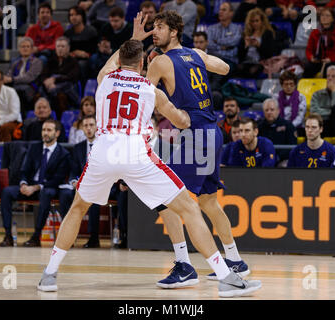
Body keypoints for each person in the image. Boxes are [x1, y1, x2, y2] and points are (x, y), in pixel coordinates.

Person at [37, 18, 261, 298]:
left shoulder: (103, 79)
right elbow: (181, 121)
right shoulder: (150, 89)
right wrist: (189, 112)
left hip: (104, 151)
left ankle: (49, 274)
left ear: (121, 60)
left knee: (78, 208)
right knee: (193, 208)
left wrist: (132, 39)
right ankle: (225, 273)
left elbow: (114, 61)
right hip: (150, 149)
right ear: (143, 63)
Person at [145, 10, 252, 288]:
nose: (154, 32)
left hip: (195, 136)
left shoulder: (160, 61)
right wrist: (200, 63)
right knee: (207, 201)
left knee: (164, 195)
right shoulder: (196, 54)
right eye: (153, 27)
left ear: (174, 31)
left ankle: (183, 264)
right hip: (213, 133)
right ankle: (234, 260)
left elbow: (143, 96)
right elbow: (226, 69)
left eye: (159, 27)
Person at [0, 119, 70, 247]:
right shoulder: (34, 148)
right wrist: (23, 184)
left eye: (49, 130)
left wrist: (36, 187)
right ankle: (8, 235)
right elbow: (24, 170)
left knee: (46, 193)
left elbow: (57, 179)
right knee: (7, 192)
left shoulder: (63, 154)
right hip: (30, 187)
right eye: (43, 130)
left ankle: (36, 236)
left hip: (48, 188)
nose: (45, 133)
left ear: (57, 133)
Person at [59, 115, 102, 248]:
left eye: (91, 125)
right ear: (82, 129)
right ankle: (69, 237)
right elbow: (74, 170)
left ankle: (94, 238)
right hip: (82, 186)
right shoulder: (78, 148)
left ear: (97, 127)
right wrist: (73, 182)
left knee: (93, 198)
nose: (89, 129)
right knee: (65, 195)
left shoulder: (105, 145)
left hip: (101, 185)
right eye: (85, 126)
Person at [40, 36, 81, 120]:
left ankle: (60, 119)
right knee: (40, 90)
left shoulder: (73, 61)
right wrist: (46, 81)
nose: (60, 49)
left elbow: (72, 76)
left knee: (61, 95)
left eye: (63, 46)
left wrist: (55, 80)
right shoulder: (51, 61)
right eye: (58, 46)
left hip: (68, 89)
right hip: (51, 87)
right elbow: (43, 75)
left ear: (68, 48)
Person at [3, 37, 43, 117]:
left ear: (32, 49)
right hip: (17, 85)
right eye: (23, 47)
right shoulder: (15, 62)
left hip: (31, 87)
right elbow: (9, 74)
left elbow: (29, 77)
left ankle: (21, 116)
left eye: (27, 47)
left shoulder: (37, 62)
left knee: (19, 90)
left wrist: (12, 79)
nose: (25, 49)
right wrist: (5, 79)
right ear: (19, 49)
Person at [310, 65, 335, 139]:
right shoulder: (317, 94)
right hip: (322, 125)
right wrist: (334, 113)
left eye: (333, 76)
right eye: (328, 76)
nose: (329, 78)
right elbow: (314, 112)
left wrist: (334, 91)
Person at [303, 7, 335, 78]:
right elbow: (309, 50)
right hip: (318, 60)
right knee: (308, 68)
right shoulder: (315, 32)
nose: (324, 17)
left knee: (329, 69)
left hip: (332, 61)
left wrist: (330, 59)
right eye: (322, 15)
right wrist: (311, 58)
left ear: (333, 19)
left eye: (327, 15)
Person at [236, 8, 279, 78]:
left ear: (262, 21)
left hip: (261, 62)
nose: (254, 23)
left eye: (257, 21)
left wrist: (258, 45)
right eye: (252, 21)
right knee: (238, 69)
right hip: (247, 61)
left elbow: (269, 53)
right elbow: (240, 55)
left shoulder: (267, 33)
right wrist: (246, 46)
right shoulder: (246, 33)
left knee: (252, 71)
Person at [64, 5, 98, 86]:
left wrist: (86, 54)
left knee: (82, 64)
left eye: (76, 14)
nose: (73, 17)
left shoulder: (91, 31)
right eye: (71, 15)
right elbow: (66, 49)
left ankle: (84, 90)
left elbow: (94, 48)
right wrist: (73, 53)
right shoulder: (67, 33)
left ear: (82, 16)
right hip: (72, 57)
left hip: (88, 58)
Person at [258, 98, 297, 166]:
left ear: (278, 110)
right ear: (263, 112)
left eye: (272, 110)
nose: (269, 112)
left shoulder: (288, 125)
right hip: (263, 158)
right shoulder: (259, 127)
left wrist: (277, 156)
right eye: (266, 110)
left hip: (282, 159)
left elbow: (292, 146)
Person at [206, 2, 242, 72]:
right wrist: (222, 47)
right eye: (220, 10)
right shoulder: (211, 28)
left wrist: (217, 41)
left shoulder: (237, 28)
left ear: (231, 13)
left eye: (224, 10)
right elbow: (209, 44)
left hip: (229, 60)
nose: (220, 12)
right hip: (214, 58)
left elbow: (234, 42)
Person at [276, 70, 307, 136]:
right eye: (286, 84)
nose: (289, 87)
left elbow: (300, 117)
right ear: (282, 85)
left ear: (295, 85)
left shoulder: (301, 97)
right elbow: (275, 116)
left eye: (291, 84)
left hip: (297, 127)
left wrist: (288, 127)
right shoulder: (276, 97)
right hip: (280, 126)